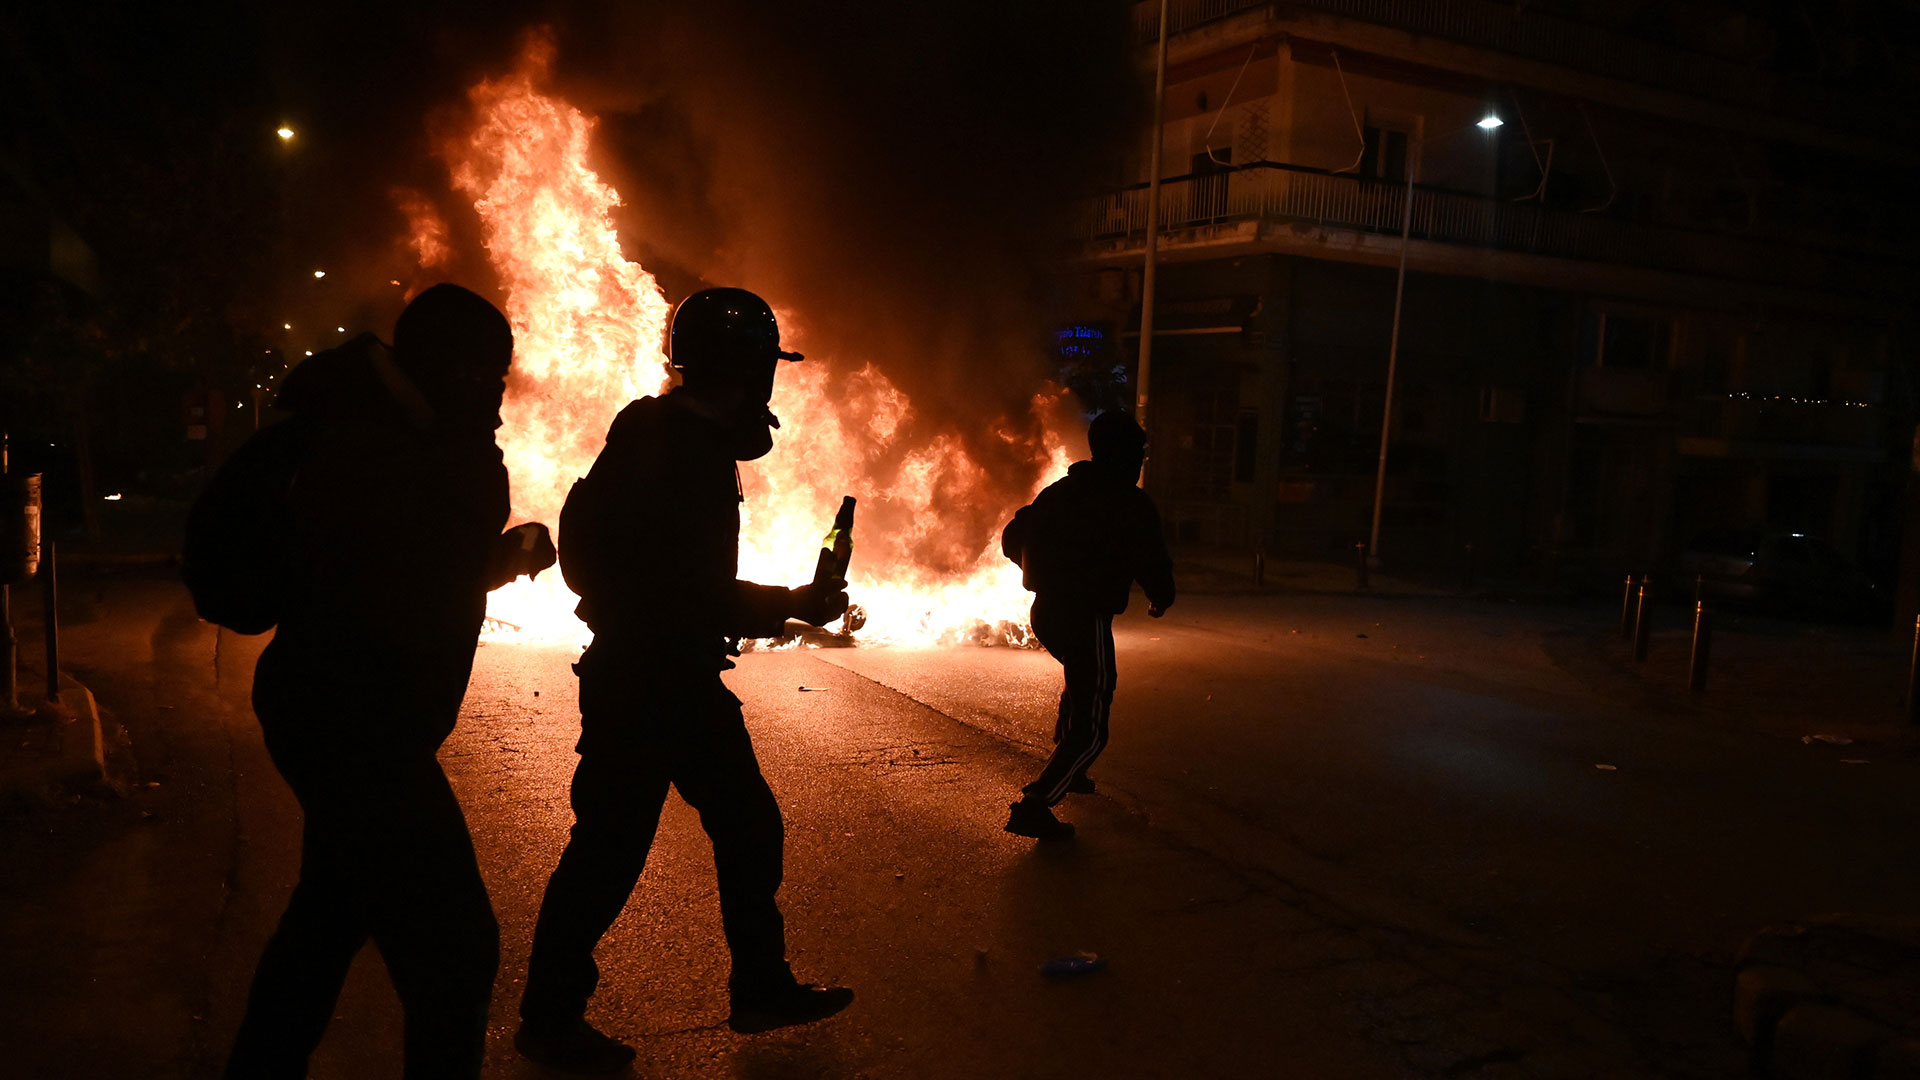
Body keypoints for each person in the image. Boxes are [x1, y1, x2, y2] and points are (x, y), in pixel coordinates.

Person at [514, 288, 853, 1073]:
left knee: (744, 824)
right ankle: (550, 1017)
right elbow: (690, 589)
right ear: (746, 368)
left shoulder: (653, 431)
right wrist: (795, 605)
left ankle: (760, 986)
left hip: (670, 675)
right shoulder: (686, 452)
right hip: (650, 680)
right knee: (610, 851)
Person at [224, 284, 556, 1079]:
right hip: (358, 729)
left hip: (340, 714)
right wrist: (488, 505)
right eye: (491, 382)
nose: (499, 405)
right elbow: (403, 579)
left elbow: (418, 571)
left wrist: (502, 556)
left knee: (330, 915)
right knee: (457, 953)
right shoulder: (388, 452)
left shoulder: (392, 440)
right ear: (453, 370)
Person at [999, 410, 1175, 842]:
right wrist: (1160, 596)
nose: (1139, 463)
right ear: (1121, 455)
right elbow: (1151, 558)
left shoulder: (1060, 492)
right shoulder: (1128, 502)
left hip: (1047, 612)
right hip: (1084, 614)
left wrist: (1041, 570)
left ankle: (1070, 771)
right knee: (1094, 721)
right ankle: (1036, 805)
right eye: (1137, 454)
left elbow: (1011, 538)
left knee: (1081, 682)